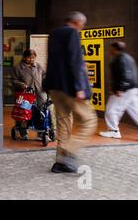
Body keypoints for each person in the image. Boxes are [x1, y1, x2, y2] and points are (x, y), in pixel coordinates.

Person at [44, 11, 97, 173]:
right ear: (78, 23)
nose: (82, 29)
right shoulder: (72, 33)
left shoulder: (53, 34)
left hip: (54, 87)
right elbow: (75, 61)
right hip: (70, 89)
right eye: (82, 25)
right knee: (89, 121)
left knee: (63, 123)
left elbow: (52, 61)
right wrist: (79, 87)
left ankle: (60, 162)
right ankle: (69, 153)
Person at [99, 42, 138, 143]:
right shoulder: (128, 58)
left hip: (125, 89)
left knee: (111, 109)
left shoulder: (120, 59)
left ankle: (113, 130)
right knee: (137, 112)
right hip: (133, 89)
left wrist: (120, 88)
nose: (109, 50)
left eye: (111, 48)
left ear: (114, 49)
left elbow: (126, 74)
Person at [10, 49, 50, 139]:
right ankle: (23, 132)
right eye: (29, 58)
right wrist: (22, 85)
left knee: (41, 112)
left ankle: (41, 133)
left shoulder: (38, 66)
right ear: (24, 57)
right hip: (26, 95)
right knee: (24, 113)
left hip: (39, 93)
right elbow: (13, 80)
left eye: (33, 58)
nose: (31, 60)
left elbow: (44, 76)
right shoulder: (18, 68)